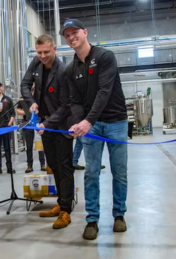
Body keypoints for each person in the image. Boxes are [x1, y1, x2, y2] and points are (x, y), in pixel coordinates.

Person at [61, 19, 129, 240]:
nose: (72, 37)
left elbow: (104, 91)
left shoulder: (105, 57)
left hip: (116, 122)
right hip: (92, 126)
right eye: (67, 35)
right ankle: (92, 219)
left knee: (119, 172)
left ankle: (119, 215)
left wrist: (87, 121)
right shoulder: (71, 69)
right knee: (91, 173)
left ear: (85, 32)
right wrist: (79, 121)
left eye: (75, 32)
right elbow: (75, 100)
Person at [21, 34, 75, 230]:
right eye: (39, 52)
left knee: (64, 167)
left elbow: (65, 106)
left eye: (46, 52)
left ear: (55, 49)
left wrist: (47, 123)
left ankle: (66, 211)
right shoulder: (36, 62)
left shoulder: (63, 71)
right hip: (45, 125)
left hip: (60, 126)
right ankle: (60, 203)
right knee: (52, 165)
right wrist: (31, 102)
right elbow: (25, 85)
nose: (42, 56)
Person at [0, 82, 15, 175]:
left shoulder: (8, 99)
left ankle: (9, 167)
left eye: (0, 86)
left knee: (7, 147)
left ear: (3, 88)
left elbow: (13, 112)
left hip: (6, 127)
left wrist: (10, 121)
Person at [16, 95, 46, 173]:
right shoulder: (23, 99)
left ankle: (42, 164)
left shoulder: (39, 98)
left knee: (40, 145)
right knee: (28, 146)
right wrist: (27, 112)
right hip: (27, 124)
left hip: (38, 124)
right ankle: (29, 165)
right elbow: (18, 111)